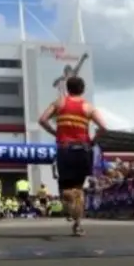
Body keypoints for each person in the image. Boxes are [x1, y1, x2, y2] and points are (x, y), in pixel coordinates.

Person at [38, 75, 106, 236]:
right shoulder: (88, 107)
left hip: (65, 149)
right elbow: (103, 127)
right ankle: (77, 225)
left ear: (68, 88)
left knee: (65, 188)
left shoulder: (59, 103)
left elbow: (42, 120)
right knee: (78, 189)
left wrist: (56, 133)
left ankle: (68, 206)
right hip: (82, 150)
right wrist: (92, 140)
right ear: (82, 90)